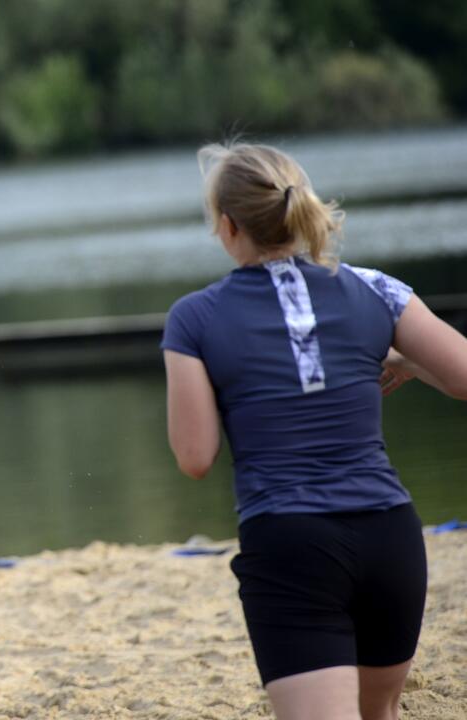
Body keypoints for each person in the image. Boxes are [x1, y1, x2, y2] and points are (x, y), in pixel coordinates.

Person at [161, 141, 467, 720]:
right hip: (389, 536)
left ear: (228, 227)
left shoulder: (194, 318)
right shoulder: (377, 289)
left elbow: (195, 456)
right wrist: (403, 361)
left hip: (292, 543)